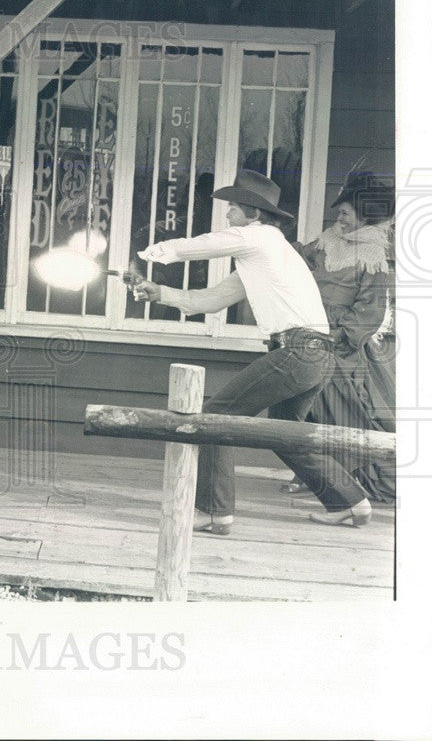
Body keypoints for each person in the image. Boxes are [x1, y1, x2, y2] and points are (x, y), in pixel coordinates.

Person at [132, 169, 372, 534]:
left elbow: (208, 243)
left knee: (216, 416)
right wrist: (159, 293)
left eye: (232, 208)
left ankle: (215, 511)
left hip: (298, 351)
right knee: (284, 432)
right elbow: (209, 301)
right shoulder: (265, 256)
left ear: (253, 214)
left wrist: (156, 251)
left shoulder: (260, 238)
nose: (227, 215)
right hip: (315, 356)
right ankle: (351, 502)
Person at [280, 172, 396, 502]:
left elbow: (369, 312)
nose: (339, 219)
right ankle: (309, 472)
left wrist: (336, 341)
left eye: (344, 213)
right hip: (309, 330)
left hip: (340, 345)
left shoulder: (373, 255)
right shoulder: (330, 239)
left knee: (342, 413)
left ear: (364, 215)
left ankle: (350, 477)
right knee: (307, 407)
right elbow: (304, 261)